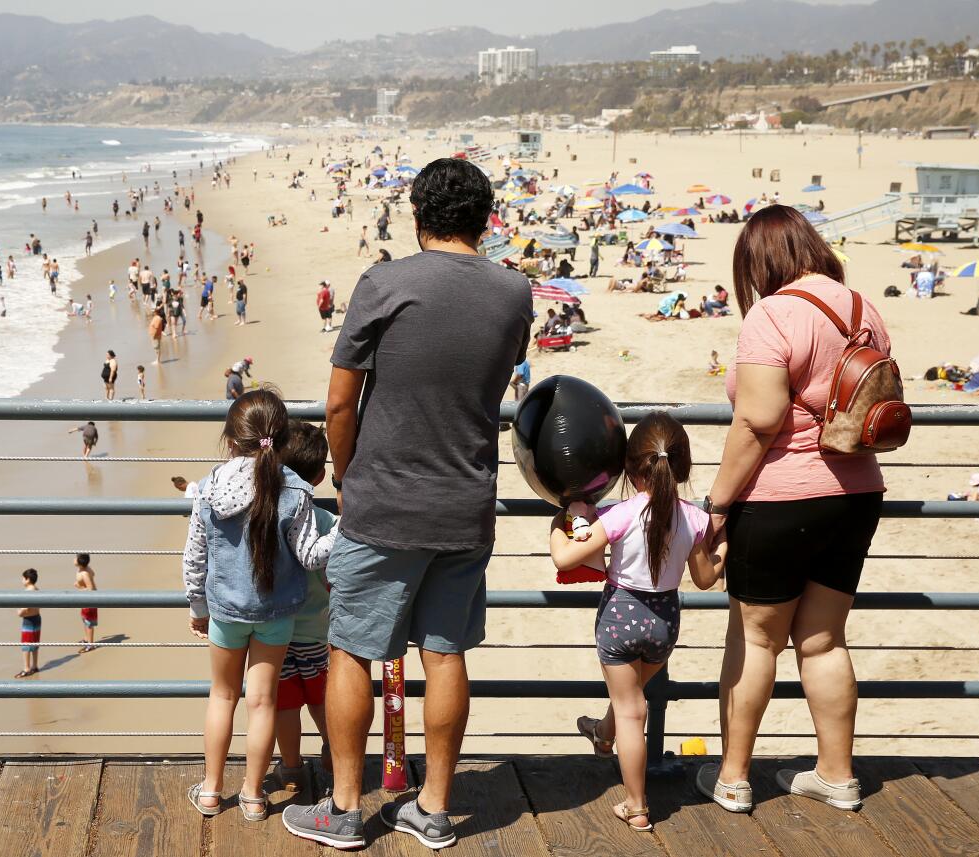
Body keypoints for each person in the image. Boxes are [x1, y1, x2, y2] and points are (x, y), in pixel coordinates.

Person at [284, 157, 532, 850]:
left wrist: (346, 473)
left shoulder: (383, 282)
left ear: (416, 215)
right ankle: (432, 807)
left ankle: (342, 808)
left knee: (351, 650)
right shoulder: (515, 292)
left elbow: (339, 400)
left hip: (384, 500)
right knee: (445, 653)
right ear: (485, 219)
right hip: (465, 502)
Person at [699, 206, 892, 814]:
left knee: (756, 640)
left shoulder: (772, 313)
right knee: (825, 640)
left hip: (782, 497)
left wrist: (717, 503)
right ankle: (836, 776)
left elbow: (758, 422)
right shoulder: (863, 309)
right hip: (856, 493)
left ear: (760, 262)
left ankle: (732, 778)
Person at [553, 413, 724, 833]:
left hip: (620, 616)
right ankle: (602, 733)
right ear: (682, 468)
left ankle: (637, 805)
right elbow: (704, 580)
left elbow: (565, 558)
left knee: (632, 711)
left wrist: (561, 525)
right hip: (664, 621)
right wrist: (723, 545)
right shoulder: (694, 519)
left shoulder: (619, 514)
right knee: (631, 700)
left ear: (629, 469)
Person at [182, 390, 337, 822]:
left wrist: (198, 605)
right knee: (264, 702)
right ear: (280, 438)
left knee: (222, 696)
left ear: (231, 440)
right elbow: (310, 556)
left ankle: (211, 791)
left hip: (225, 612)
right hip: (276, 615)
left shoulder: (211, 486)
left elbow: (195, 554)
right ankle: (253, 796)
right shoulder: (295, 489)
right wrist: (344, 528)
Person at [273, 420, 339, 792]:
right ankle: (333, 750)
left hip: (276, 634)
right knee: (321, 699)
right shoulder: (327, 522)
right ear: (319, 477)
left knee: (285, 706)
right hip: (317, 633)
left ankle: (293, 767)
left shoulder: (269, 521)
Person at [17, 569, 41, 678]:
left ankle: (26, 668)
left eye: (23, 578)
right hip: (37, 618)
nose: (21, 580)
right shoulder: (36, 589)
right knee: (35, 644)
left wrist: (19, 612)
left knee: (26, 645)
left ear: (27, 579)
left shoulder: (28, 592)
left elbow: (26, 608)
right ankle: (35, 666)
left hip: (28, 620)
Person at [75, 553, 98, 653]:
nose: (73, 559)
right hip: (85, 600)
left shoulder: (84, 573)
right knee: (84, 619)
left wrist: (80, 587)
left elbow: (91, 589)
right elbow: (93, 573)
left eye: (75, 558)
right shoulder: (85, 569)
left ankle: (90, 645)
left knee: (89, 623)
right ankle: (86, 638)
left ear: (79, 562)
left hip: (90, 600)